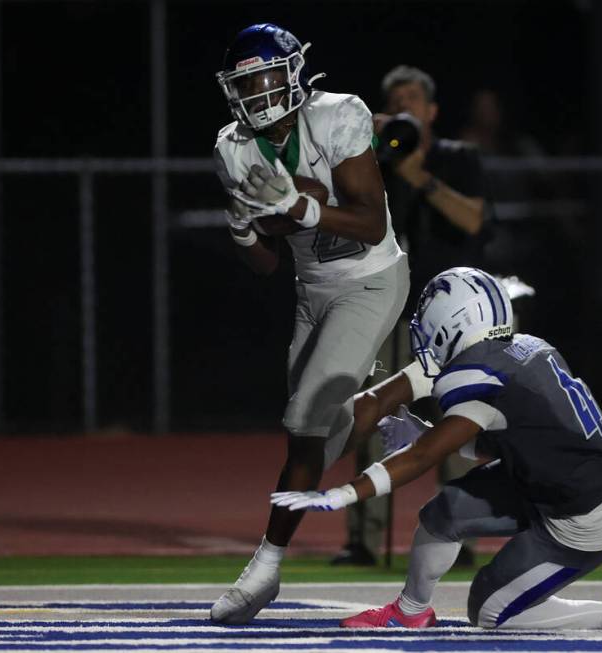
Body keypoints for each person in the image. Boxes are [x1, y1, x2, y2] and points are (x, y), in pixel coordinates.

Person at [272, 267, 602, 630]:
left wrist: (345, 493)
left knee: (488, 612)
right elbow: (512, 437)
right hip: (551, 483)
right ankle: (409, 614)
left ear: (453, 324)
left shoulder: (479, 377)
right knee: (442, 515)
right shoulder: (525, 348)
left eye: (429, 324)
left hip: (581, 520)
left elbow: (425, 455)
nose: (423, 334)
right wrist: (421, 429)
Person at [208, 23, 409, 624]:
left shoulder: (338, 115)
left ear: (294, 72)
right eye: (247, 83)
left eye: (268, 76)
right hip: (310, 292)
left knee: (303, 423)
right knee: (322, 431)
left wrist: (300, 207)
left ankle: (265, 568)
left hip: (371, 281)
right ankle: (403, 411)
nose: (260, 92)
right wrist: (245, 229)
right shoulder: (232, 147)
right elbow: (266, 264)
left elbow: (372, 223)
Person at [333, 66, 491, 567]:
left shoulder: (457, 158)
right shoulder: (373, 165)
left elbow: (473, 220)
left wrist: (419, 177)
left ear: (432, 111)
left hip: (453, 316)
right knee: (374, 414)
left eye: (412, 101)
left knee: (459, 420)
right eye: (394, 102)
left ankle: (458, 536)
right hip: (392, 310)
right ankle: (363, 539)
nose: (405, 109)